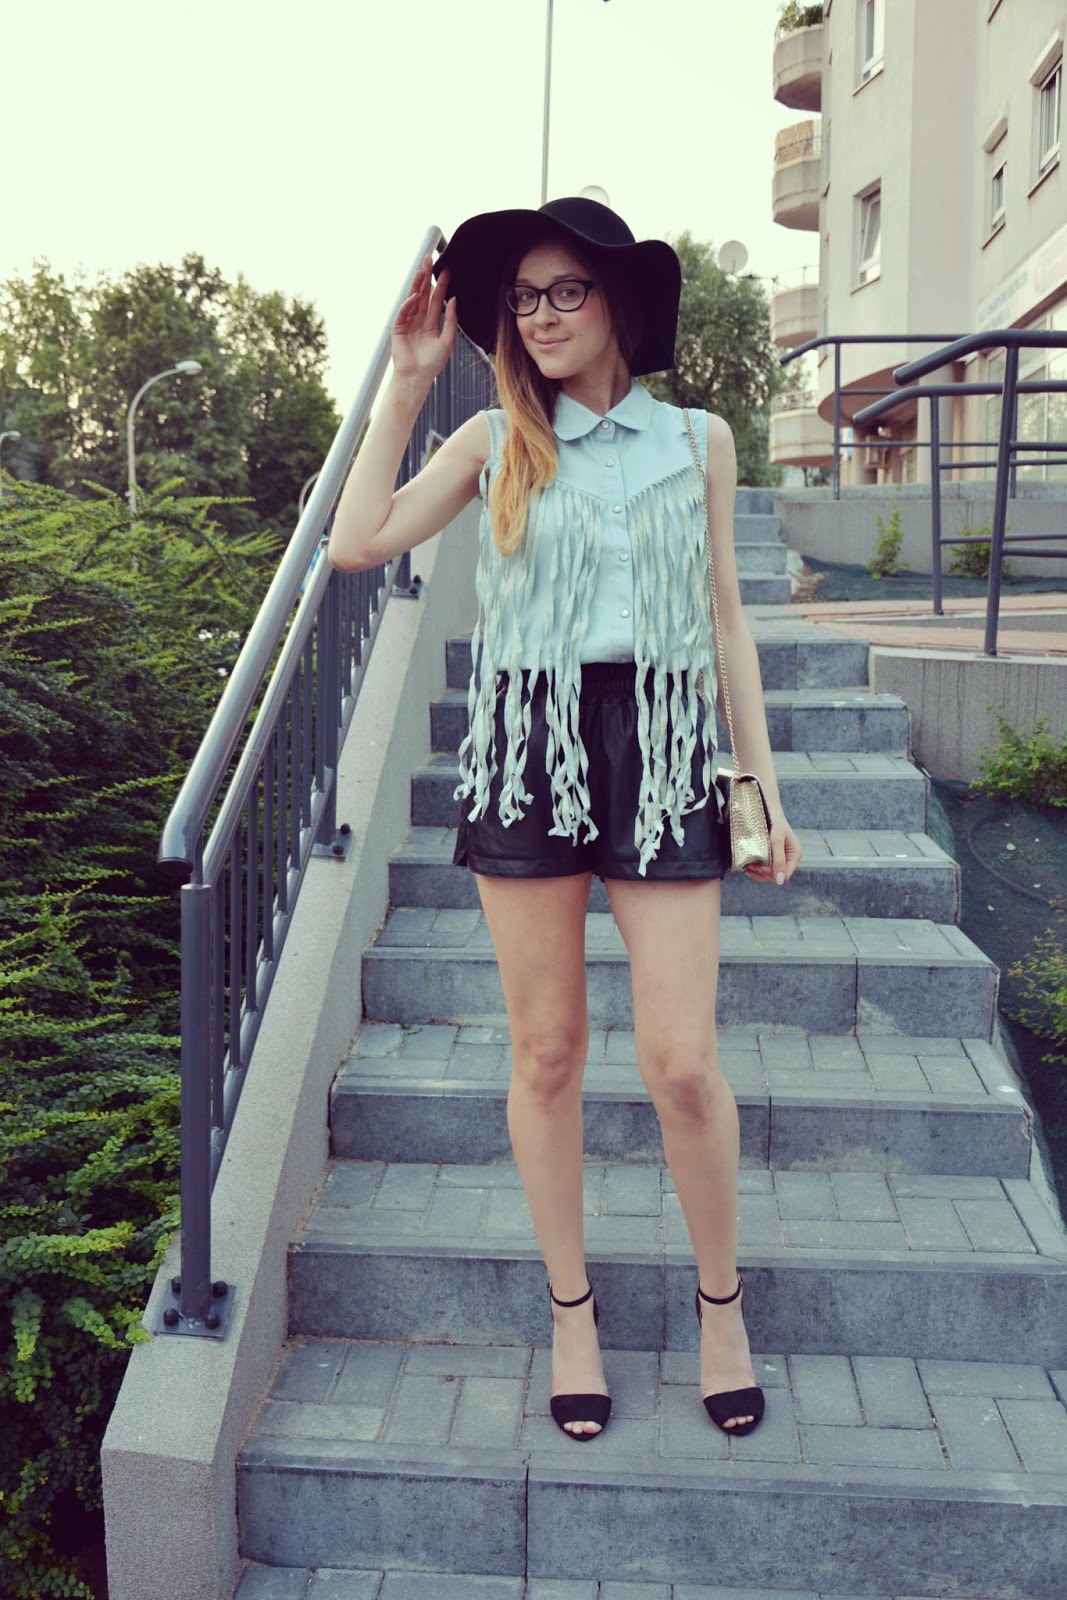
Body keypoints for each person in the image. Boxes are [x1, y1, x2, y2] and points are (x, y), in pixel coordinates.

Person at [328, 197, 803, 1442]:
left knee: (680, 1061)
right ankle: (571, 1313)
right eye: (523, 297)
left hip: (662, 735)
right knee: (545, 1052)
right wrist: (406, 381)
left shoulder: (698, 440)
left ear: (615, 301)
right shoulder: (492, 439)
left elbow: (726, 618)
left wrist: (757, 787)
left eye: (563, 291)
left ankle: (720, 1308)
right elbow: (355, 542)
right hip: (528, 737)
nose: (538, 315)